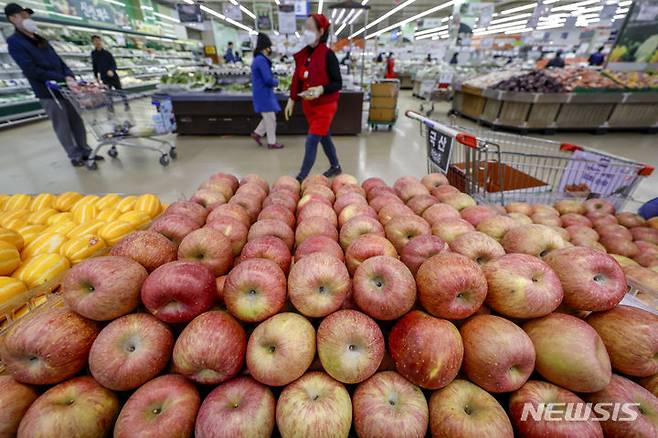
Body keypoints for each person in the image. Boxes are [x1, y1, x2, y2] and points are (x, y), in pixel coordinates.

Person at [5, 3, 101, 167]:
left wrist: (69, 75)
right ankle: (74, 155)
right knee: (61, 123)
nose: (28, 19)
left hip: (65, 86)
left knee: (76, 119)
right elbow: (30, 69)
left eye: (29, 16)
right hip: (47, 90)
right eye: (23, 16)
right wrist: (59, 78)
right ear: (13, 19)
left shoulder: (39, 38)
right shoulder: (14, 42)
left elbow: (58, 60)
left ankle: (85, 149)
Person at [284, 13, 342, 181]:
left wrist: (321, 89)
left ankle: (301, 177)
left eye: (309, 28)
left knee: (312, 140)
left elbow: (338, 83)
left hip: (325, 106)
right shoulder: (304, 54)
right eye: (305, 27)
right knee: (324, 137)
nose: (305, 32)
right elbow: (297, 78)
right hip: (309, 107)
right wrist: (292, 99)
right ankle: (336, 166)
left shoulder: (328, 55)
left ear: (321, 31)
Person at [250, 33, 283, 150]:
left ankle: (257, 134)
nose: (270, 49)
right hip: (263, 93)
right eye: (269, 47)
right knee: (271, 118)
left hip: (261, 92)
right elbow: (268, 79)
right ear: (265, 47)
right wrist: (277, 82)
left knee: (269, 116)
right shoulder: (261, 60)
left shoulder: (258, 59)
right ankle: (271, 142)